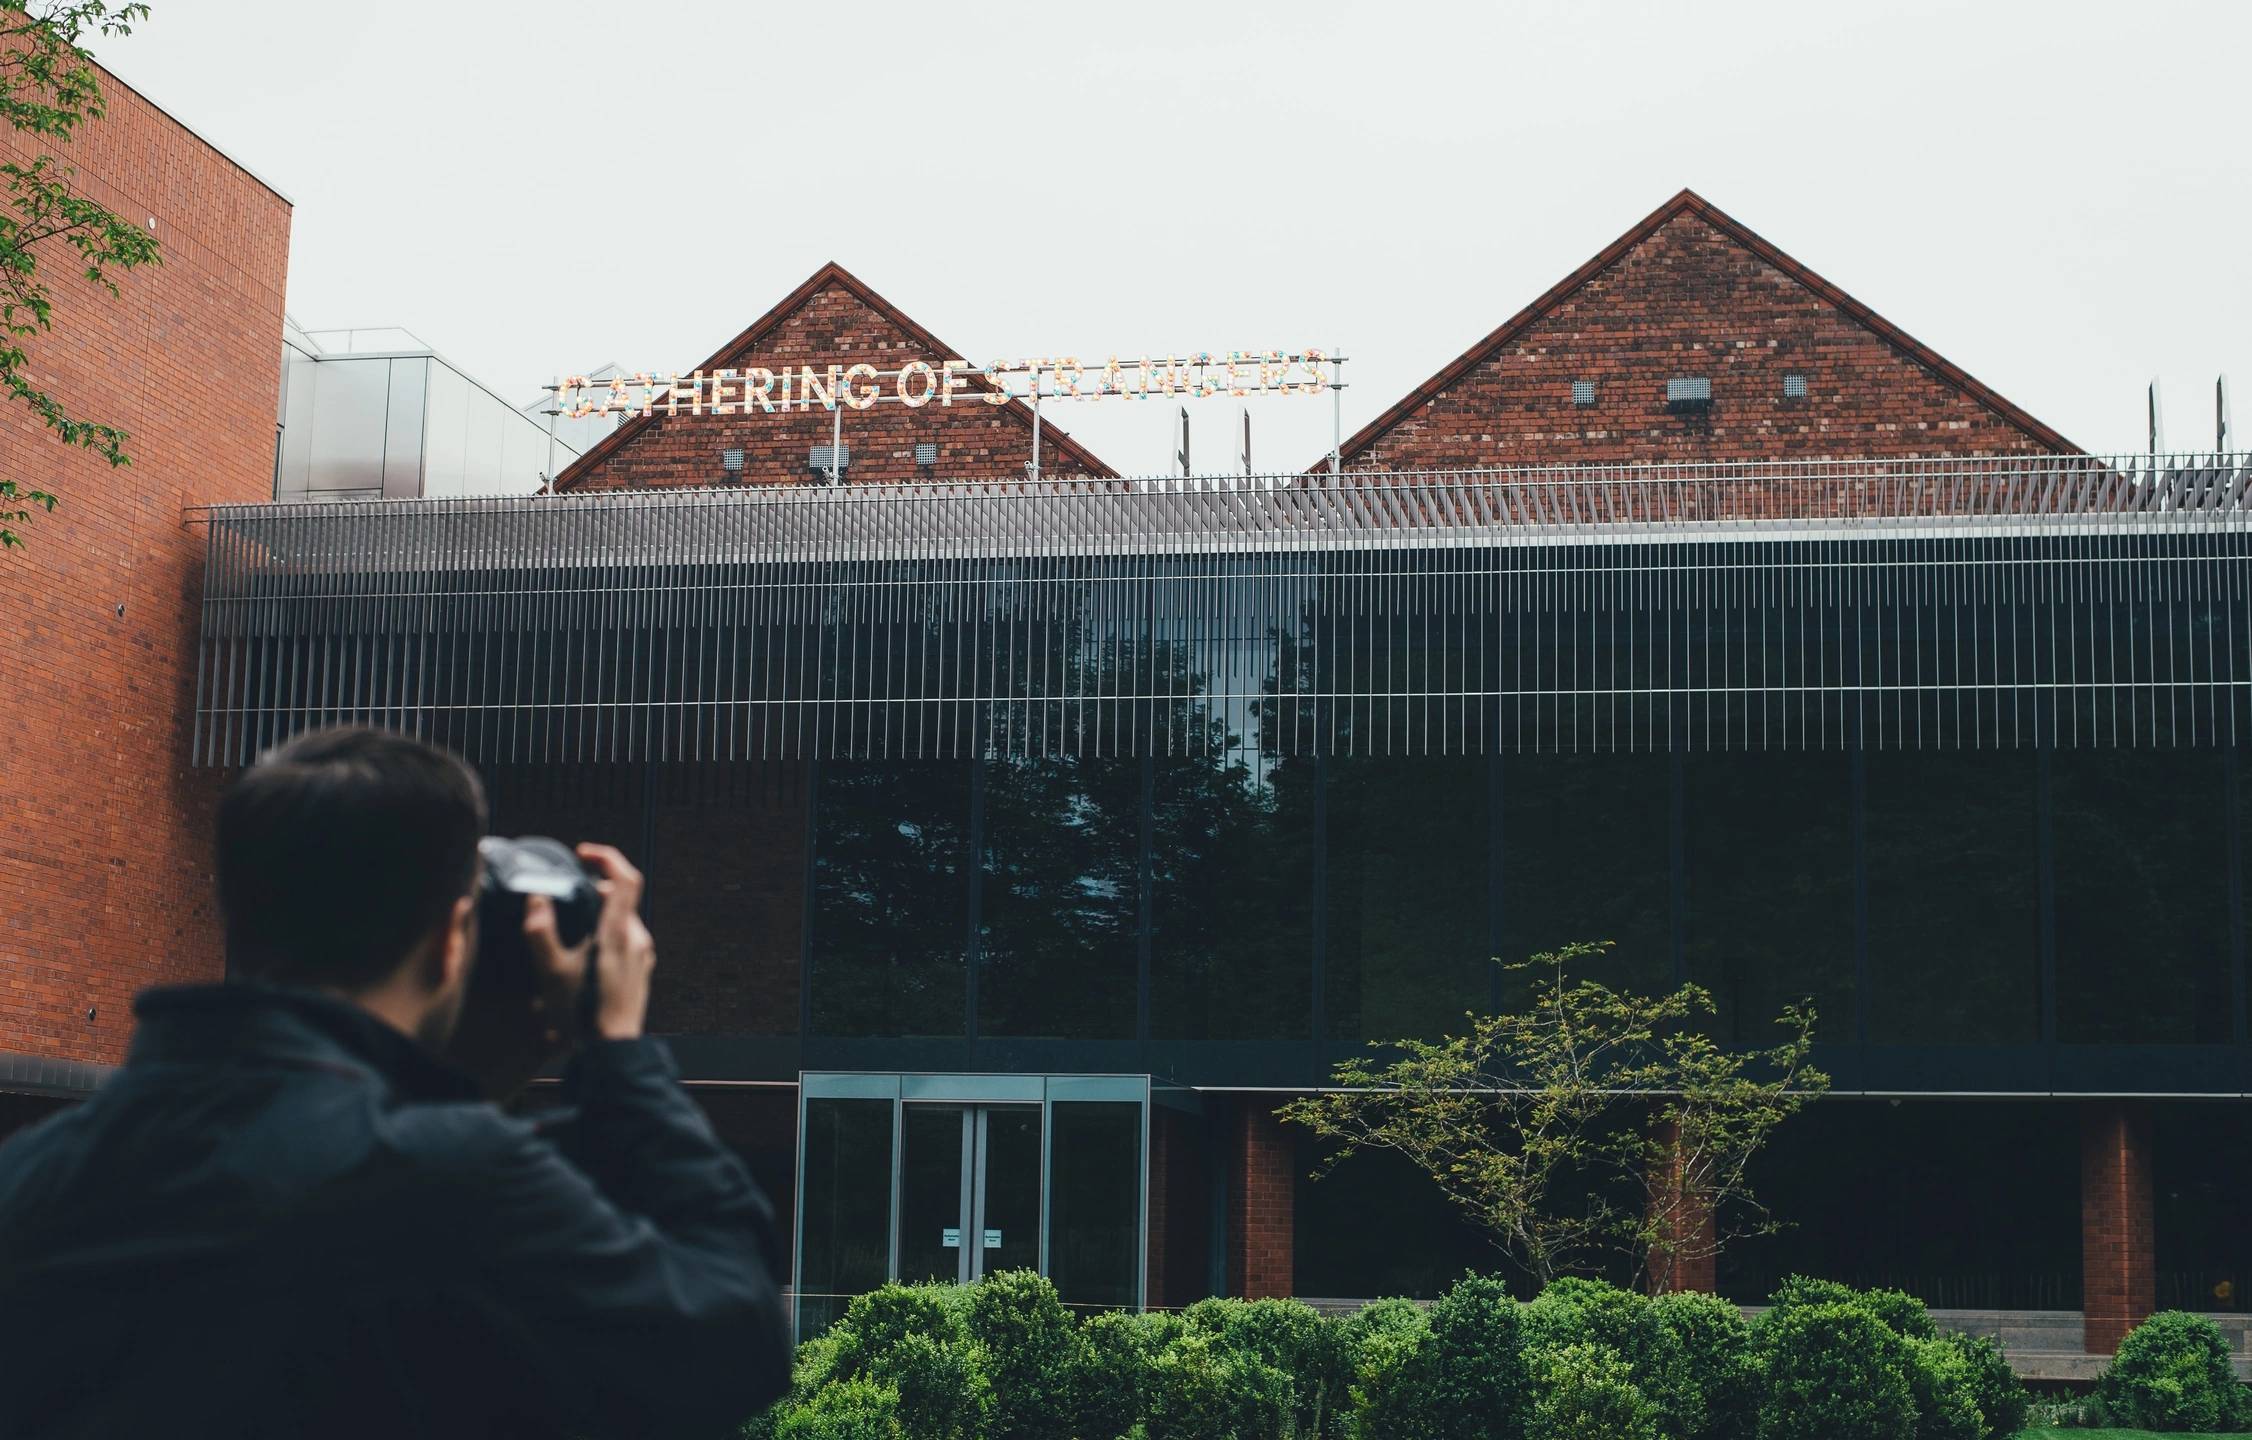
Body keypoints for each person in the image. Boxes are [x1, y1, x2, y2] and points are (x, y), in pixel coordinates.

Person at [0, 727, 792, 1438]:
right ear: (454, 938)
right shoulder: (440, 1177)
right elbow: (734, 1338)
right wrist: (616, 1050)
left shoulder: (30, 1177)